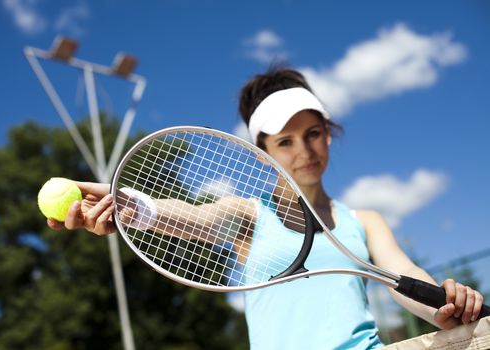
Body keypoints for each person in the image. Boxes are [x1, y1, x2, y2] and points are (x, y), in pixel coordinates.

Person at [47, 67, 485, 349]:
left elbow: (402, 279)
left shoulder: (364, 221)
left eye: (313, 133)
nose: (305, 151)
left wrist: (444, 309)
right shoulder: (247, 215)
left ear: (328, 135)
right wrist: (126, 204)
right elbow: (185, 216)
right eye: (285, 141)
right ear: (262, 153)